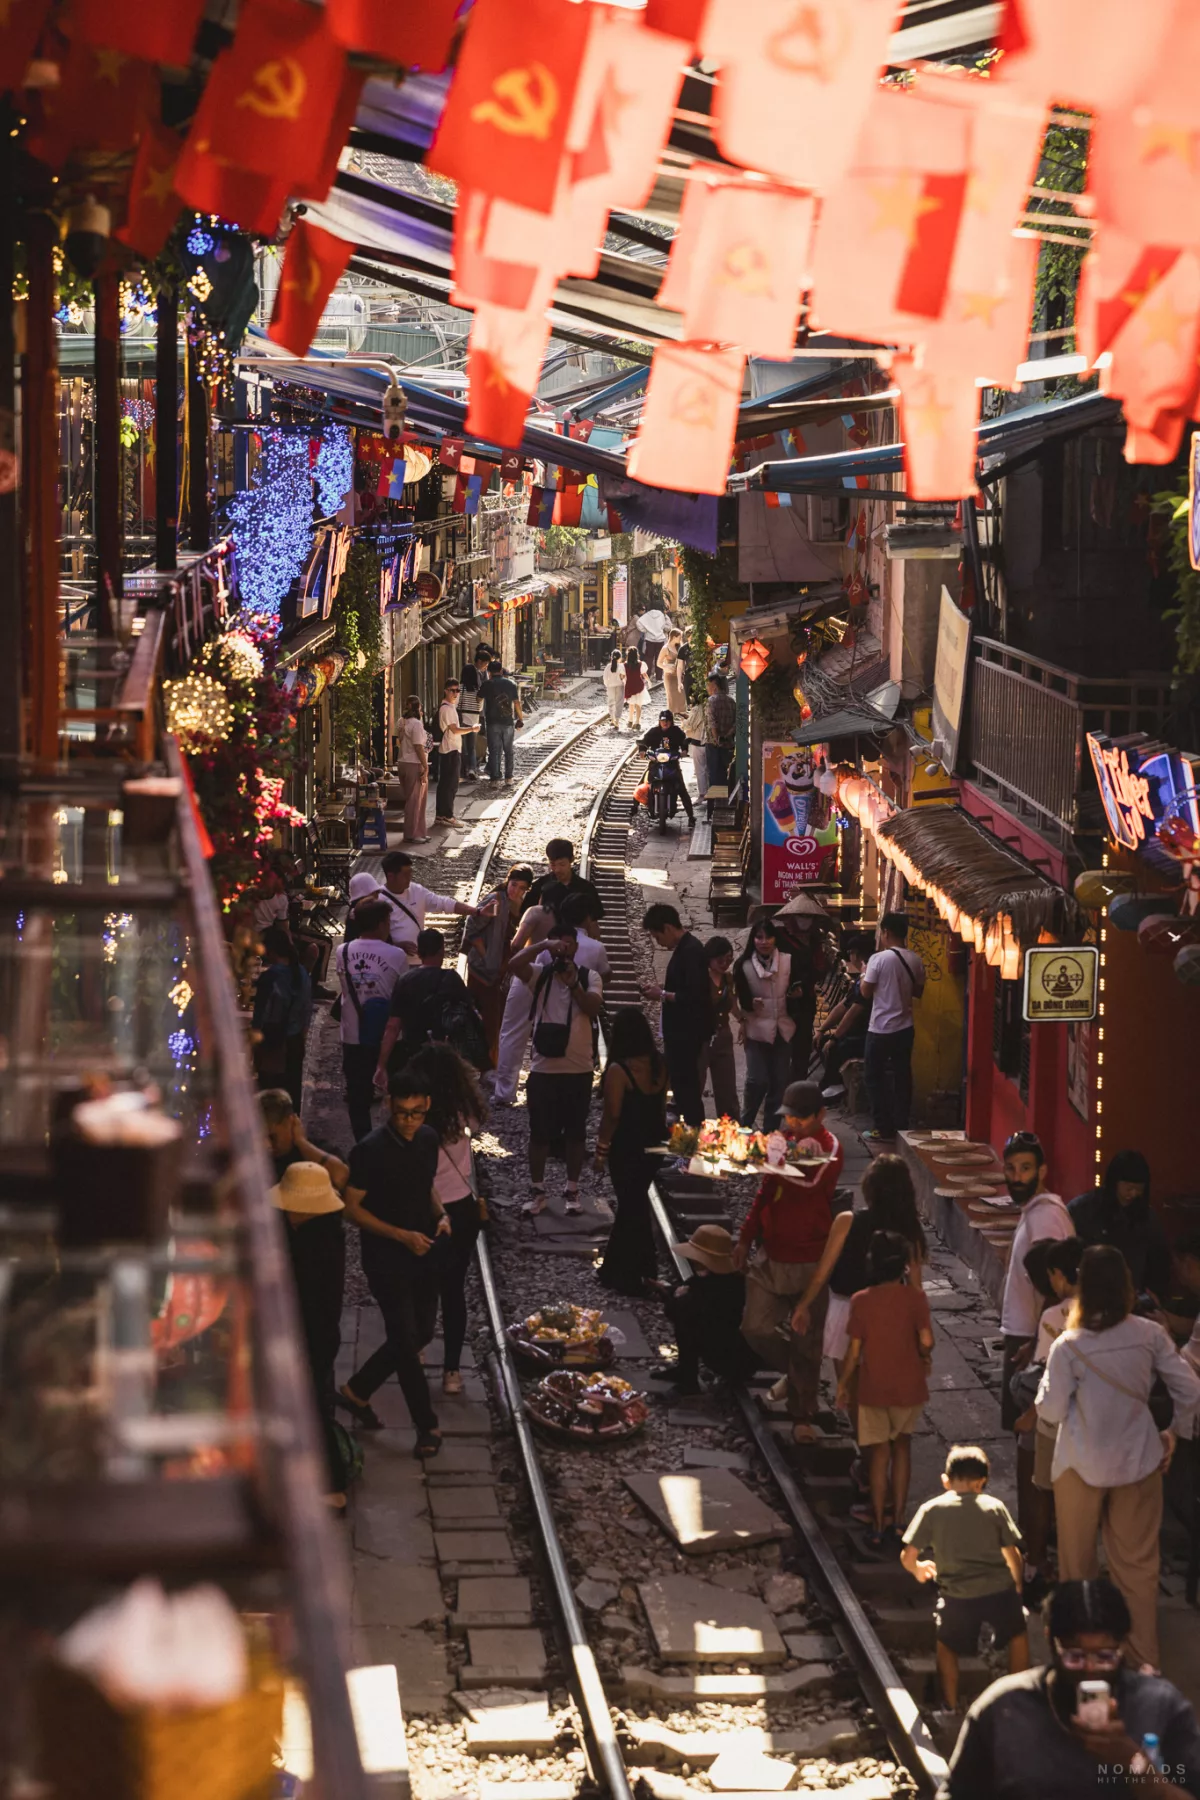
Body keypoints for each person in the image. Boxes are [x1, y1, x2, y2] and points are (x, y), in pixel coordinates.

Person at [1035, 1244, 1200, 1671]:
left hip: (1079, 1464)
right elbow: (1190, 1390)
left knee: (1078, 1569)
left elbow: (1049, 1412)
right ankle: (1145, 1663)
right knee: (1138, 1571)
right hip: (1138, 1462)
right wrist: (1174, 1433)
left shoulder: (1068, 1346)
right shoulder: (1150, 1334)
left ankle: (1080, 1660)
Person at [940, 1578, 1200, 1800]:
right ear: (1051, 1643)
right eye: (1074, 1656)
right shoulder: (1006, 1707)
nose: (1090, 1669)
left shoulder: (1159, 1706)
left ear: (1123, 1646)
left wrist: (1132, 1763)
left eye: (1105, 1656)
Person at [338, 1072, 449, 1459]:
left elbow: (426, 1183)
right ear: (390, 1106)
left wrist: (441, 1213)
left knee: (420, 1334)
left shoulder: (429, 1139)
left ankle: (357, 1390)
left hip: (425, 1246)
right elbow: (351, 1209)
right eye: (402, 1113)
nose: (409, 1120)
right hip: (386, 1257)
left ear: (427, 1107)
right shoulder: (370, 1150)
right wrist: (400, 1235)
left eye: (416, 1113)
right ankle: (426, 1425)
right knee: (405, 1341)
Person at [737, 1079, 845, 1443]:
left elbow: (807, 1180)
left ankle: (803, 1414)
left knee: (807, 1340)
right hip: (772, 1253)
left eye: (801, 1119)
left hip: (810, 1259)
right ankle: (796, 1373)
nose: (793, 1124)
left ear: (821, 1115)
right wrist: (745, 1237)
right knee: (754, 1327)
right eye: (789, 1118)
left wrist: (769, 1154)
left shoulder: (831, 1150)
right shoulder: (784, 1142)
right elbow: (767, 1190)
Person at [790, 1154, 926, 1441]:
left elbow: (822, 1273)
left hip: (846, 1312)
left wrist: (803, 1305)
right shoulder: (909, 1230)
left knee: (850, 1389)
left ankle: (867, 1455)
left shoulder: (846, 1221)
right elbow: (916, 1288)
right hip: (890, 1315)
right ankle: (879, 1451)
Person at [901, 1445, 1028, 1716]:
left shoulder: (932, 1510)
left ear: (945, 1480)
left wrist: (919, 1569)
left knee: (947, 1646)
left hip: (956, 1595)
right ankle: (1019, 1699)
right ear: (982, 1482)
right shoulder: (994, 1507)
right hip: (999, 1591)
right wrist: (1017, 1587)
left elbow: (908, 1555)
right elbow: (1013, 1554)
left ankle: (949, 1703)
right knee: (1017, 1635)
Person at [998, 1131, 1074, 1579]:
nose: (1017, 1177)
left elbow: (1053, 1287)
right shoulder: (1039, 1212)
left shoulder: (1045, 1220)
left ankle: (1036, 1548)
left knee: (1032, 1448)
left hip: (1034, 1336)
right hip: (1030, 1333)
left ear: (1042, 1171)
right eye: (1011, 1168)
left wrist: (1035, 1344)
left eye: (1025, 1168)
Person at [836, 1229, 934, 1549]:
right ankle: (900, 1521)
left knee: (879, 1455)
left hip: (873, 1388)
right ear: (904, 1265)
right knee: (902, 1448)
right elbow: (926, 1340)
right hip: (908, 1387)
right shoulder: (916, 1298)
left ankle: (878, 1524)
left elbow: (853, 1352)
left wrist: (842, 1385)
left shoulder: (861, 1301)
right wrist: (924, 1356)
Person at [507, 922, 604, 1217]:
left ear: (576, 946)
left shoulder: (590, 977)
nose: (563, 949)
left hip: (579, 1069)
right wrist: (541, 947)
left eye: (566, 944)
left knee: (575, 1134)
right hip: (543, 1069)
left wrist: (573, 983)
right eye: (558, 944)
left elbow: (593, 1008)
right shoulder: (541, 974)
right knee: (539, 1134)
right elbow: (513, 964)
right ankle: (538, 1191)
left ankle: (571, 1189)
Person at [406, 1042, 486, 1398]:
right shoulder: (462, 1109)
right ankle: (452, 1371)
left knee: (421, 1284)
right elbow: (478, 1127)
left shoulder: (414, 1114)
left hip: (423, 1208)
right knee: (454, 1290)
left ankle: (418, 1346)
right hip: (461, 1208)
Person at [272, 1160, 349, 1506]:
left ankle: (331, 1482)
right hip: (320, 1333)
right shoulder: (324, 1232)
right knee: (317, 1398)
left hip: (310, 1335)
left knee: (314, 1402)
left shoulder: (312, 1246)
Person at [594, 1007, 668, 1295]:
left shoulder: (619, 1070)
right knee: (634, 1205)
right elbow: (660, 1107)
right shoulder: (660, 1064)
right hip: (655, 1144)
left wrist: (601, 1151)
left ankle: (631, 1274)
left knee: (630, 1206)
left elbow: (612, 1115)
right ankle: (625, 1270)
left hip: (627, 1147)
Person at [650, 1225, 760, 1396]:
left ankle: (688, 1380)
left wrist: (675, 1297)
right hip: (743, 1354)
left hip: (730, 1359)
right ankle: (684, 1372)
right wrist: (671, 1291)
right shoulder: (730, 1280)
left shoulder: (712, 1287)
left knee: (683, 1311)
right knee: (687, 1309)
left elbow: (675, 1309)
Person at [335, 898, 408, 1141]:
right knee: (394, 1093)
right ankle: (394, 1143)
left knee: (358, 1097)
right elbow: (400, 996)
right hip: (388, 1036)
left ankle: (363, 1145)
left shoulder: (342, 951)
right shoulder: (397, 955)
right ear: (380, 924)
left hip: (353, 1036)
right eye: (388, 921)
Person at [374, 928, 479, 1080]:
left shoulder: (404, 980)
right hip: (445, 1054)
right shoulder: (452, 979)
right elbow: (470, 1017)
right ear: (441, 951)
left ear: (419, 953)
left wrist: (381, 1065)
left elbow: (393, 1026)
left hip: (413, 1054)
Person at [641, 903, 713, 1128]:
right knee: (683, 1091)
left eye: (657, 936)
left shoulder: (691, 951)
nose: (658, 942)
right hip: (680, 1033)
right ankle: (687, 1146)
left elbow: (693, 995)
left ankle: (691, 1147)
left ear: (668, 928)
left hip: (686, 1035)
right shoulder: (685, 950)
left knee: (687, 1091)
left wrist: (661, 994)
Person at [1069, 1150, 1171, 1302]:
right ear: (1114, 1182)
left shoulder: (1147, 1216)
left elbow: (1159, 1260)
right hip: (1089, 1294)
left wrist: (1154, 1295)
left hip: (1132, 1296)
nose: (1133, 1194)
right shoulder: (1083, 1209)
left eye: (1138, 1190)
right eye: (1128, 1188)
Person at [860, 912, 925, 1145]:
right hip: (905, 1027)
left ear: (885, 932)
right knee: (902, 1076)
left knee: (873, 1077)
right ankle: (901, 1124)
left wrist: (863, 975)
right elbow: (918, 992)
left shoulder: (879, 959)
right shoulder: (916, 959)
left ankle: (882, 1126)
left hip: (880, 1028)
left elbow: (865, 992)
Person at [462, 864, 534, 1066]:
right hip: (484, 970)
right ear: (507, 881)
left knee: (499, 1016)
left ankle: (493, 1061)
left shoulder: (517, 903)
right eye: (513, 885)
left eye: (521, 888)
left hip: (503, 968)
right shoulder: (496, 900)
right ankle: (486, 1063)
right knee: (487, 1017)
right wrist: (486, 956)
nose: (516, 891)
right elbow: (472, 927)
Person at [733, 917, 795, 1131]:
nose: (764, 941)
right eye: (759, 937)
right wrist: (750, 1004)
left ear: (775, 939)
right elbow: (740, 997)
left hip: (782, 1029)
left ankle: (770, 1131)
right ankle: (746, 1122)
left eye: (768, 936)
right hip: (756, 1030)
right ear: (753, 939)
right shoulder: (744, 966)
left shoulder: (788, 961)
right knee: (756, 1080)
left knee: (778, 1084)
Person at [374, 849, 479, 963]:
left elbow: (443, 903)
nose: (409, 877)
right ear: (390, 877)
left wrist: (476, 911)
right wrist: (396, 946)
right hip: (393, 963)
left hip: (418, 961)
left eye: (410, 873)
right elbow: (373, 939)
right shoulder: (378, 900)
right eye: (405, 874)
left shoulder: (416, 890)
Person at [252, 923, 312, 1111]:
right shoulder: (300, 971)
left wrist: (255, 1049)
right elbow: (306, 1010)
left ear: (268, 951)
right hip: (295, 1042)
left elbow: (261, 1018)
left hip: (274, 1045)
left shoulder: (271, 978)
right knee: (291, 1095)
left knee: (271, 1101)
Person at [260, 1088, 349, 1191]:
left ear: (291, 1122)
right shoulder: (255, 1160)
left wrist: (302, 1143)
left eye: (272, 1137)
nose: (267, 1145)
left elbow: (342, 1178)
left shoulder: (318, 1149)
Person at [818, 936, 871, 1101]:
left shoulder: (867, 978)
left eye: (851, 953)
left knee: (836, 1046)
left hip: (866, 1033)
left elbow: (854, 1010)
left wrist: (835, 1037)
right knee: (822, 1041)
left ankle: (835, 1086)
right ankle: (832, 1082)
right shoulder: (860, 977)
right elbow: (843, 1005)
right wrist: (822, 1029)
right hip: (854, 1030)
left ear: (856, 954)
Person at [699, 936, 739, 1121]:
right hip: (702, 1036)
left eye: (729, 959)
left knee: (727, 1088)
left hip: (723, 1035)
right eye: (720, 960)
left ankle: (729, 1129)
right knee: (696, 1083)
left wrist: (743, 1021)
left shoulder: (728, 980)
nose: (725, 964)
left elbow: (733, 1006)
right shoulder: (700, 979)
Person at [525, 837, 605, 924]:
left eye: (562, 864)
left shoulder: (586, 889)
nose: (557, 869)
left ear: (571, 860)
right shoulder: (540, 886)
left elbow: (593, 924)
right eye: (553, 864)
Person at [635, 709, 695, 826]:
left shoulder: (676, 731)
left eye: (667, 720)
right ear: (659, 721)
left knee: (681, 789)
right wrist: (642, 751)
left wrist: (684, 750)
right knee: (643, 784)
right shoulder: (654, 732)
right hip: (656, 764)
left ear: (671, 721)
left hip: (672, 764)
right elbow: (644, 742)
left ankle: (691, 817)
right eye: (663, 721)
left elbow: (684, 742)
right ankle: (633, 808)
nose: (665, 723)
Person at [479, 657, 523, 784]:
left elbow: (478, 699)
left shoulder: (486, 684)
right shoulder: (511, 684)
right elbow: (517, 703)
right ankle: (509, 778)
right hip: (508, 722)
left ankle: (495, 779)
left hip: (492, 722)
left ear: (489, 672)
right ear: (501, 671)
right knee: (508, 751)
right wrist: (520, 719)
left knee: (494, 751)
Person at [394, 695, 430, 843]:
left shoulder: (401, 722)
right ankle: (412, 833)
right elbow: (418, 746)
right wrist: (425, 766)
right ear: (419, 708)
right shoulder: (416, 724)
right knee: (416, 801)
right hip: (414, 763)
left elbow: (400, 740)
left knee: (413, 799)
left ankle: (419, 831)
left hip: (403, 762)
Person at [458, 644, 492, 781]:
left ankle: (462, 771)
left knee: (462, 746)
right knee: (471, 746)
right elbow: (479, 707)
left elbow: (456, 704)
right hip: (474, 719)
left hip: (461, 719)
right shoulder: (478, 691)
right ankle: (472, 768)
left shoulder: (460, 688)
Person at [434, 677, 465, 827]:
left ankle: (441, 815)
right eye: (452, 690)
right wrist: (472, 729)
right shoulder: (447, 709)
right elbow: (455, 729)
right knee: (450, 784)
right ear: (445, 691)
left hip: (450, 748)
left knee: (446, 783)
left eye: (457, 690)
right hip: (450, 749)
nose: (455, 693)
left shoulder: (449, 707)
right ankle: (447, 815)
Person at [704, 671, 736, 793]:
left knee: (714, 774)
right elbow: (736, 723)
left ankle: (716, 802)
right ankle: (725, 800)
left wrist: (716, 738)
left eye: (708, 685)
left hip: (713, 744)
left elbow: (712, 723)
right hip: (728, 744)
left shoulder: (711, 701)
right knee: (725, 773)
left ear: (714, 685)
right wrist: (728, 735)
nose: (707, 688)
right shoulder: (731, 701)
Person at [684, 692, 709, 801]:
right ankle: (712, 795)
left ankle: (703, 794)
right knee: (710, 770)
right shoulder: (710, 706)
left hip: (698, 741)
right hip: (711, 742)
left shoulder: (697, 709)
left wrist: (684, 720)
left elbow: (689, 725)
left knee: (700, 770)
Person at [658, 629, 687, 715]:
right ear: (674, 637)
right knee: (672, 698)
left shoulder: (680, 647)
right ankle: (672, 717)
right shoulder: (665, 648)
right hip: (670, 676)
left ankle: (681, 717)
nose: (680, 639)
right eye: (679, 637)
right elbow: (659, 663)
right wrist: (666, 667)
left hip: (679, 675)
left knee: (681, 697)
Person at [624, 645, 647, 733]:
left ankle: (630, 720)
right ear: (637, 654)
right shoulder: (641, 664)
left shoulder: (625, 665)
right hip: (639, 686)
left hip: (630, 686)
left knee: (631, 704)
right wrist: (649, 681)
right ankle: (637, 721)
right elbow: (644, 674)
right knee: (638, 705)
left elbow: (623, 676)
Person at [602, 650, 626, 728]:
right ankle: (617, 721)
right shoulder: (621, 666)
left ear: (611, 657)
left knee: (611, 702)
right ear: (620, 658)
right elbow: (623, 676)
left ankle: (612, 719)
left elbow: (605, 678)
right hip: (620, 686)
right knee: (619, 703)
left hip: (610, 686)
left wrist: (607, 685)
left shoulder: (608, 666)